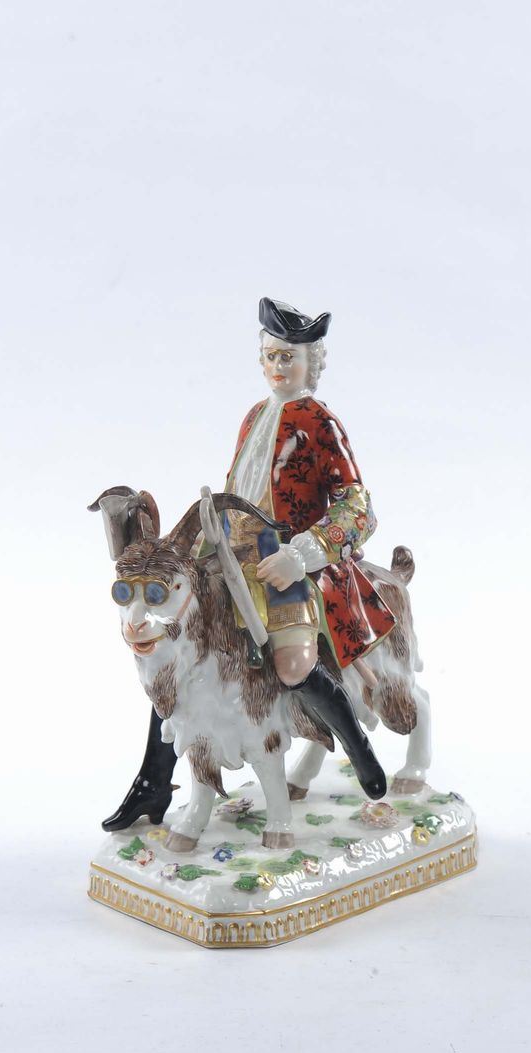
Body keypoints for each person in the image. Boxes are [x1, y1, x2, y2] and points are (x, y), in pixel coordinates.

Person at [101, 297, 395, 832]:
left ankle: (359, 748)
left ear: (311, 362)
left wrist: (301, 554)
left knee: (293, 665)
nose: (278, 366)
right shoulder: (254, 416)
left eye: (289, 357)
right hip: (229, 554)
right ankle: (154, 781)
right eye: (270, 356)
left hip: (288, 562)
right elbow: (239, 489)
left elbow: (359, 510)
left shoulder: (322, 424)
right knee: (176, 646)